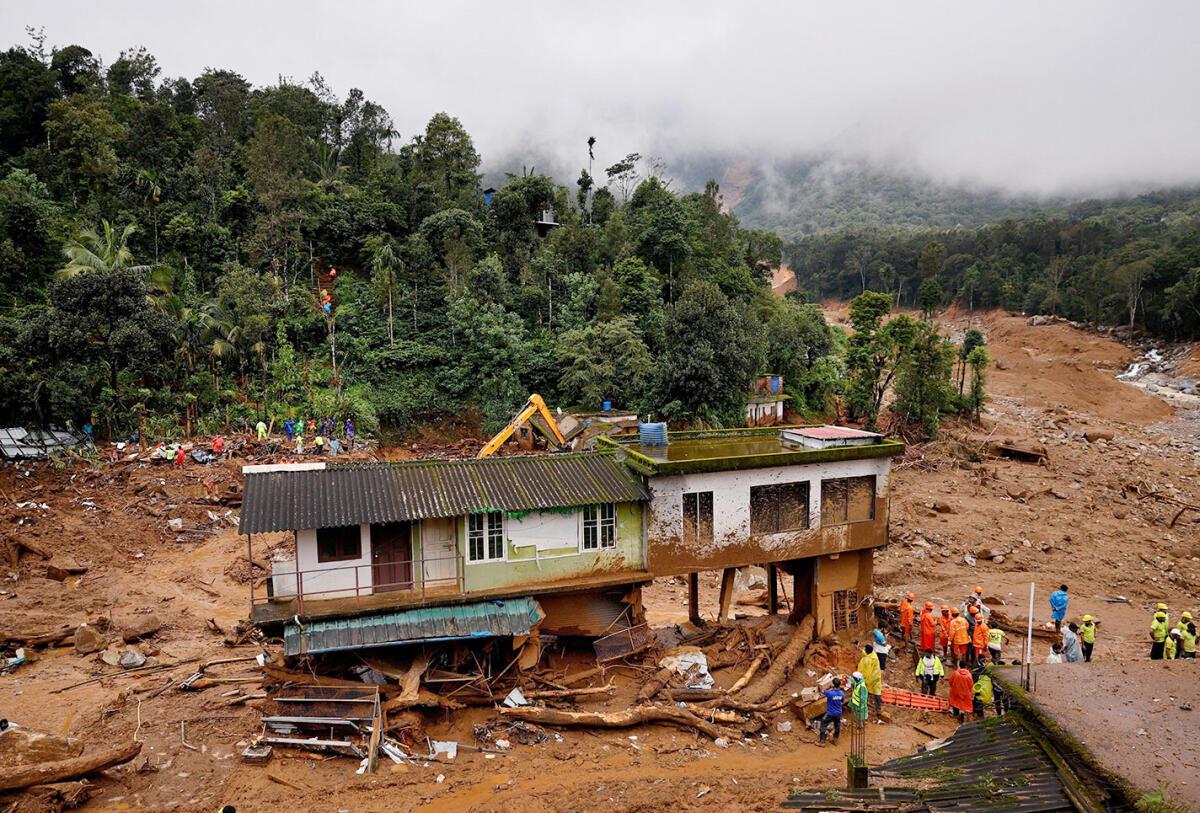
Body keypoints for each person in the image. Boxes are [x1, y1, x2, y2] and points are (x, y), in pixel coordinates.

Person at [857, 644, 884, 720]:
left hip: (872, 678)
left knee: (869, 693)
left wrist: (864, 681)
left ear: (867, 651)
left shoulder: (869, 660)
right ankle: (877, 708)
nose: (864, 650)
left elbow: (867, 672)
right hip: (875, 677)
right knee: (876, 692)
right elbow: (863, 652)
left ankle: (866, 708)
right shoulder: (873, 655)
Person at [818, 677, 845, 745]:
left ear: (833, 684)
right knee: (837, 725)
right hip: (838, 713)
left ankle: (822, 742)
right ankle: (835, 740)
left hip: (830, 713)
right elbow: (842, 701)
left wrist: (821, 686)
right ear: (839, 684)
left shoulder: (830, 693)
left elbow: (822, 690)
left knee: (823, 724)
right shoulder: (842, 693)